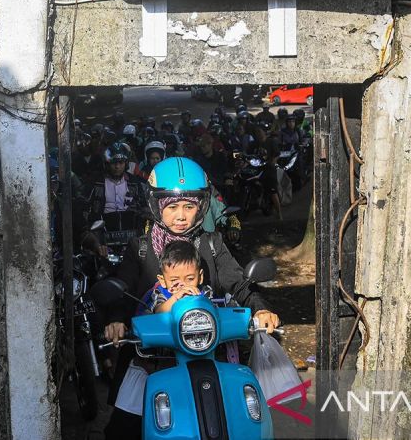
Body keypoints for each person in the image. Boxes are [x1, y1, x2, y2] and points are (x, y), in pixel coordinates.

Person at [102, 157, 279, 438]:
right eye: (172, 207)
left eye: (189, 206)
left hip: (209, 350)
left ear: (201, 207)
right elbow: (124, 289)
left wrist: (260, 309)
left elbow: (238, 282)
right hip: (153, 357)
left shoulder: (212, 242)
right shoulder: (141, 249)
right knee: (122, 430)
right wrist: (115, 320)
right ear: (157, 207)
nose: (181, 215)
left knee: (245, 421)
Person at [87, 143, 147, 232]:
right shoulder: (97, 183)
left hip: (130, 228)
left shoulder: (134, 183)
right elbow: (86, 205)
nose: (117, 167)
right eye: (113, 163)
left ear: (126, 164)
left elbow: (143, 206)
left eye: (121, 163)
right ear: (107, 164)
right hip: (103, 229)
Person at [149, 240, 212, 313]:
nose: (183, 285)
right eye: (174, 280)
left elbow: (211, 311)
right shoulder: (160, 293)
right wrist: (176, 297)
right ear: (162, 281)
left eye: (190, 279)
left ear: (200, 277)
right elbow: (159, 313)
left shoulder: (205, 291)